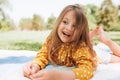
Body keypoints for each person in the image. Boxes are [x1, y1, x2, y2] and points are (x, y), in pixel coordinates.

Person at [23, 4, 97, 80]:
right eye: (65, 22)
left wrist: (57, 76)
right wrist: (35, 66)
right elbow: (42, 55)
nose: (69, 28)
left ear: (81, 32)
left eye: (75, 26)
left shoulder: (80, 46)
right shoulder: (51, 40)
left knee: (104, 58)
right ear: (58, 22)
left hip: (93, 56)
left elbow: (87, 70)